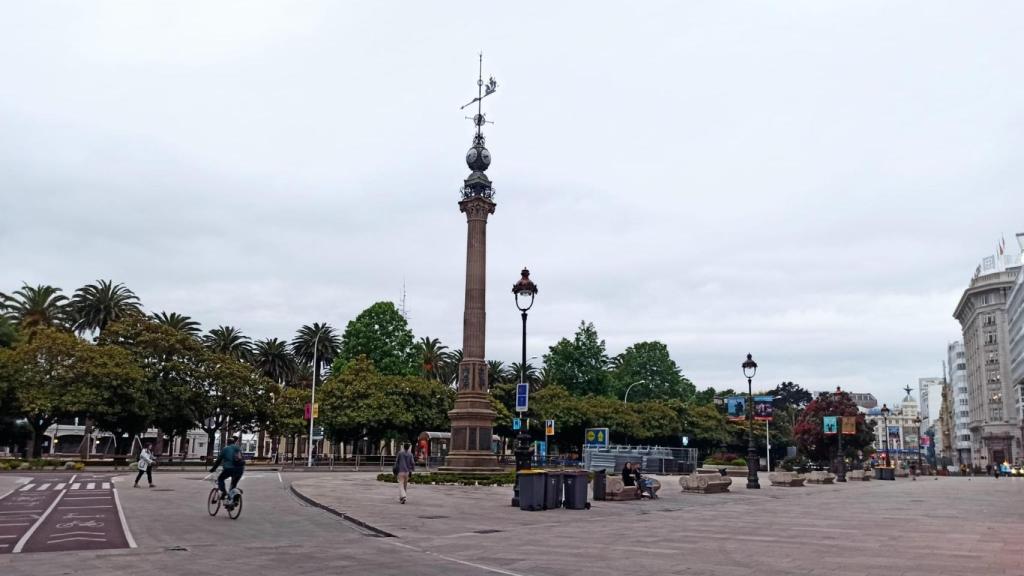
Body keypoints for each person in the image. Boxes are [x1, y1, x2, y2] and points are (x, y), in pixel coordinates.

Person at [210, 437, 245, 504]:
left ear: (227, 443)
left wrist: (213, 468)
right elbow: (242, 458)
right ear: (234, 442)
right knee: (233, 484)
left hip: (229, 469)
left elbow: (219, 460)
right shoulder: (238, 448)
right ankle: (234, 500)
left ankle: (223, 492)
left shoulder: (225, 449)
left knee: (220, 479)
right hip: (240, 469)